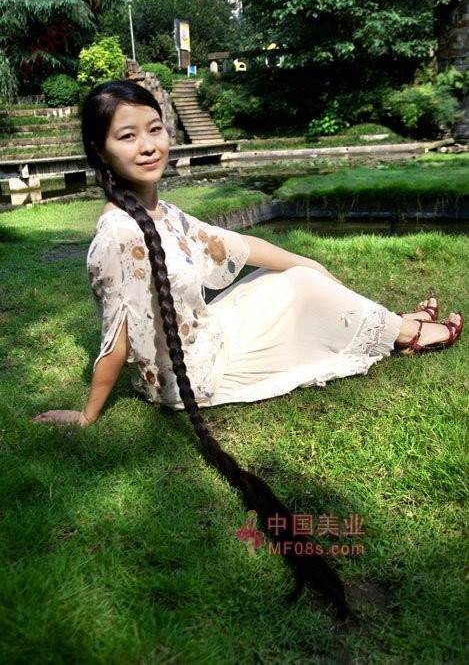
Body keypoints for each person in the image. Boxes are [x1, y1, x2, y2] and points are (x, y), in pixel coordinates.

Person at [34, 80, 464, 617]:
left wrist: (310, 262)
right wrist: (87, 415)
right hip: (193, 374)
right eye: (128, 136)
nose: (148, 145)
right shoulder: (118, 235)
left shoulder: (163, 212)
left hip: (205, 334)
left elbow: (239, 245)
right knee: (300, 289)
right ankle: (409, 333)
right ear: (101, 150)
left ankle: (394, 323)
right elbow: (116, 339)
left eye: (155, 129)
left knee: (292, 278)